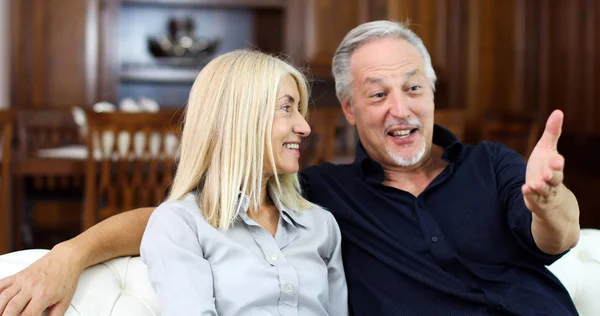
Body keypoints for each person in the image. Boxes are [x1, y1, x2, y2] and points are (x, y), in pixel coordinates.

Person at [0, 20, 580, 316]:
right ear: (350, 109)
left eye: (413, 88)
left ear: (432, 93)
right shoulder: (327, 196)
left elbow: (559, 231)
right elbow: (189, 215)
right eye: (377, 94)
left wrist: (550, 199)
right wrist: (69, 254)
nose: (400, 108)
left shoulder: (494, 165)